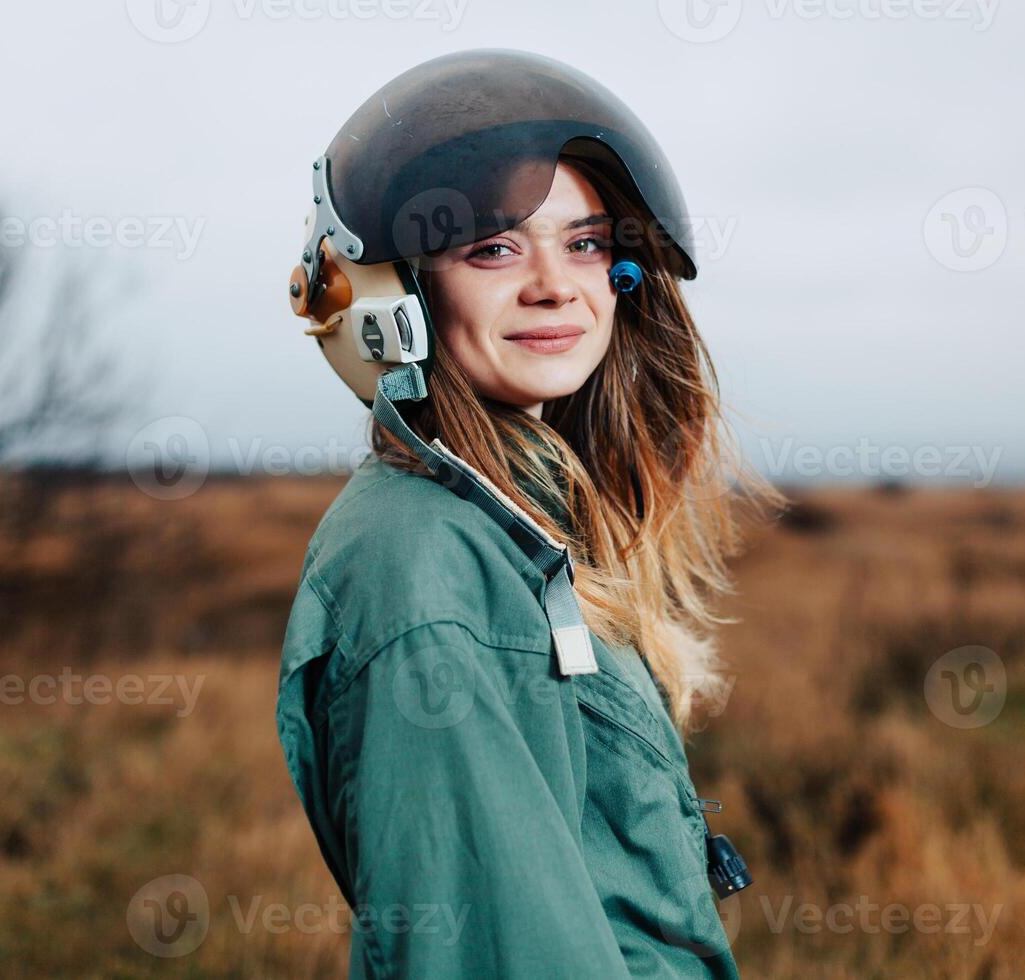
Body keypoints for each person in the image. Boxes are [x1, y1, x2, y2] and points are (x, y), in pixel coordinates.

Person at [276, 48, 779, 978]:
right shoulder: (424, 566)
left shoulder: (515, 527)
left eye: (586, 242)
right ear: (392, 293)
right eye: (494, 246)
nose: (558, 285)